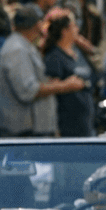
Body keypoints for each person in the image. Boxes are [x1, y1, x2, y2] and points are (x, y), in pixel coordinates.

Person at [0, 4, 83, 136]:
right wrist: (65, 86)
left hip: (31, 130)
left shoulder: (26, 45)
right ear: (37, 24)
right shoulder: (17, 49)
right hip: (21, 133)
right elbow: (28, 90)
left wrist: (50, 83)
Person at [41, 8, 94, 137]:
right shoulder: (54, 57)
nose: (77, 29)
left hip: (85, 123)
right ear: (64, 31)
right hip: (67, 126)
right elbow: (52, 91)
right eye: (74, 26)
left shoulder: (77, 52)